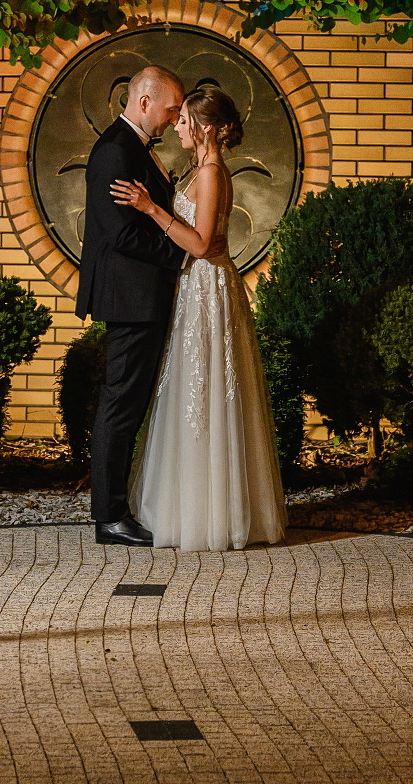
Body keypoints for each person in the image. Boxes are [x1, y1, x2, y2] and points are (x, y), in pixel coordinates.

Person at [112, 79, 287, 551]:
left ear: (206, 128)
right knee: (193, 389)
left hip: (207, 284)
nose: (177, 127)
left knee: (205, 388)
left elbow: (202, 243)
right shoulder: (201, 169)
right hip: (195, 285)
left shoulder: (211, 173)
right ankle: (192, 506)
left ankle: (210, 515)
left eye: (185, 120)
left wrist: (151, 209)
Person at [76, 63, 186, 546]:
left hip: (142, 296)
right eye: (170, 109)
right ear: (144, 102)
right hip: (130, 298)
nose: (173, 119)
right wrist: (181, 256)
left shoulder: (133, 148)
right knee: (120, 404)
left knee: (129, 403)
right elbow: (120, 233)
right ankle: (110, 517)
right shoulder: (114, 152)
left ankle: (118, 510)